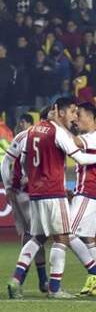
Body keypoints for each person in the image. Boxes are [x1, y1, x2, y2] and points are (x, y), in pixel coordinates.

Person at [7, 98, 96, 299]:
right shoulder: (58, 133)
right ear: (60, 112)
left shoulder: (32, 131)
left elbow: (24, 160)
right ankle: (56, 287)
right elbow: (80, 158)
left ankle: (16, 278)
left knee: (37, 237)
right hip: (54, 193)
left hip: (35, 193)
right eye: (72, 111)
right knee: (62, 237)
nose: (74, 116)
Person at [0, 113, 47, 294]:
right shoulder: (40, 139)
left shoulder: (19, 138)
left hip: (17, 194)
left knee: (29, 238)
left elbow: (6, 163)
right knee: (38, 237)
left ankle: (38, 282)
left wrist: (8, 186)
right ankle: (20, 281)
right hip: (30, 195)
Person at [69, 102, 96, 297]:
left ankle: (95, 272)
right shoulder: (90, 137)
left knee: (67, 232)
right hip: (89, 192)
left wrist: (57, 127)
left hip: (88, 192)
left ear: (90, 117)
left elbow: (74, 143)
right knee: (87, 239)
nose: (76, 119)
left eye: (79, 115)